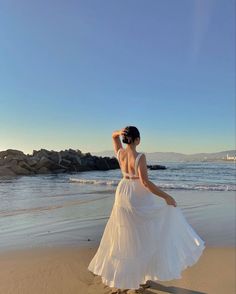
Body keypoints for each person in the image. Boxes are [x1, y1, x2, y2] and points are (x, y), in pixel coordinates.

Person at [88, 126, 205, 292]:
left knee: (125, 234)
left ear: (124, 138)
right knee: (143, 234)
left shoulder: (120, 153)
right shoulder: (140, 156)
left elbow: (113, 138)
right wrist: (166, 196)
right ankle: (139, 276)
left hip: (122, 192)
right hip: (137, 195)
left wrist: (118, 132)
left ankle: (127, 276)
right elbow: (145, 183)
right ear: (137, 140)